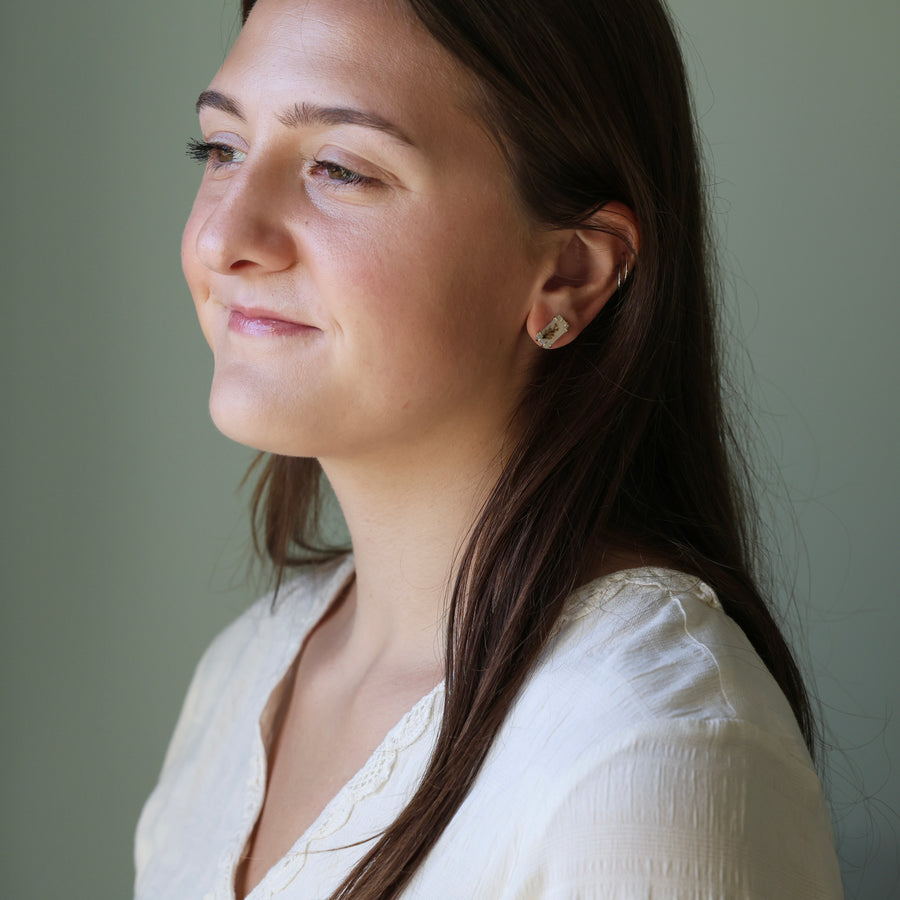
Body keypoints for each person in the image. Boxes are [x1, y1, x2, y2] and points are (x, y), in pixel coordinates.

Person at [134, 0, 844, 897]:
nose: (222, 237)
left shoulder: (655, 744)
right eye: (221, 149)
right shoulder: (243, 672)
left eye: (340, 169)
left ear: (572, 272)